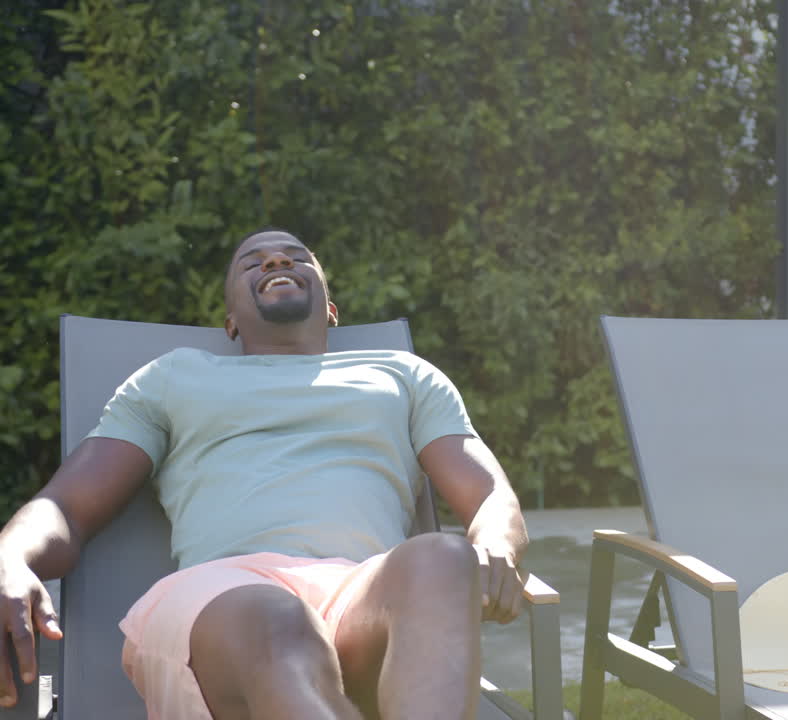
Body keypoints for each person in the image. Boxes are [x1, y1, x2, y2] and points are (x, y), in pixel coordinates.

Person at [0, 229, 528, 720]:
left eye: (297, 257)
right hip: (226, 601)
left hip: (363, 597)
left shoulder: (404, 376)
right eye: (252, 262)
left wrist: (495, 546)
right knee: (279, 620)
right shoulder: (174, 377)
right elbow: (65, 505)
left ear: (331, 309)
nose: (277, 259)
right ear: (230, 320)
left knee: (443, 554)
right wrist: (8, 557)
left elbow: (487, 495)